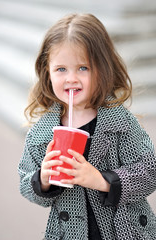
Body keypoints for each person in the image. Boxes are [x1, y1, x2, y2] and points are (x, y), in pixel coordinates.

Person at [18, 13, 156, 240]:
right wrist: (43, 179)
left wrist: (101, 181)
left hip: (124, 231)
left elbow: (150, 171)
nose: (71, 78)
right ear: (48, 72)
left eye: (83, 68)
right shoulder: (41, 134)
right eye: (61, 69)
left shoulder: (120, 123)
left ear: (102, 68)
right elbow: (25, 181)